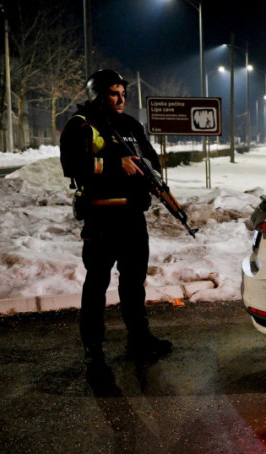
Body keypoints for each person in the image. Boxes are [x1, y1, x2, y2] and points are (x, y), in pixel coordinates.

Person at [60, 69, 173, 365]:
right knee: (97, 282)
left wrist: (151, 173)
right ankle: (93, 345)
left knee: (134, 282)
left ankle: (140, 338)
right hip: (101, 218)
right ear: (98, 94)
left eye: (123, 94)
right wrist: (115, 163)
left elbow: (150, 158)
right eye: (114, 93)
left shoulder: (130, 124)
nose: (121, 99)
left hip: (133, 216)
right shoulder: (81, 125)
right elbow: (72, 164)